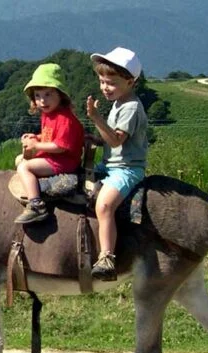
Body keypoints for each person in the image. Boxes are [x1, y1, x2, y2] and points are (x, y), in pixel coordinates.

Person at [85, 47, 149, 281]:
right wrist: (94, 139)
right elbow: (109, 140)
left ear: (130, 82)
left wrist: (95, 118)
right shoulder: (119, 102)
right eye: (102, 82)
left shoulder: (131, 107)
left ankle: (107, 256)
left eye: (111, 83)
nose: (104, 88)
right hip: (110, 164)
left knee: (104, 205)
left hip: (126, 169)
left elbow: (116, 140)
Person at [13, 63, 86, 225]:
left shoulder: (65, 119)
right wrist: (37, 137)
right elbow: (49, 136)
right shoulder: (49, 114)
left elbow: (60, 146)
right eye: (38, 96)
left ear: (60, 95)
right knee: (19, 159)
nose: (42, 101)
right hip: (54, 157)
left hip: (63, 161)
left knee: (24, 167)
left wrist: (36, 146)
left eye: (48, 95)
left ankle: (36, 205)